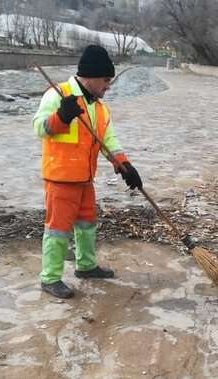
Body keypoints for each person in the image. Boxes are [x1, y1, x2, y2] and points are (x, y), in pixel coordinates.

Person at [32, 45, 142, 299]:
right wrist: (62, 116)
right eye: (106, 80)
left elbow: (108, 141)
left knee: (86, 224)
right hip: (60, 178)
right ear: (91, 76)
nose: (108, 86)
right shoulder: (59, 94)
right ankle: (50, 278)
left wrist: (125, 166)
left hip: (85, 178)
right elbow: (39, 127)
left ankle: (86, 266)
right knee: (58, 229)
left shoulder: (100, 108)